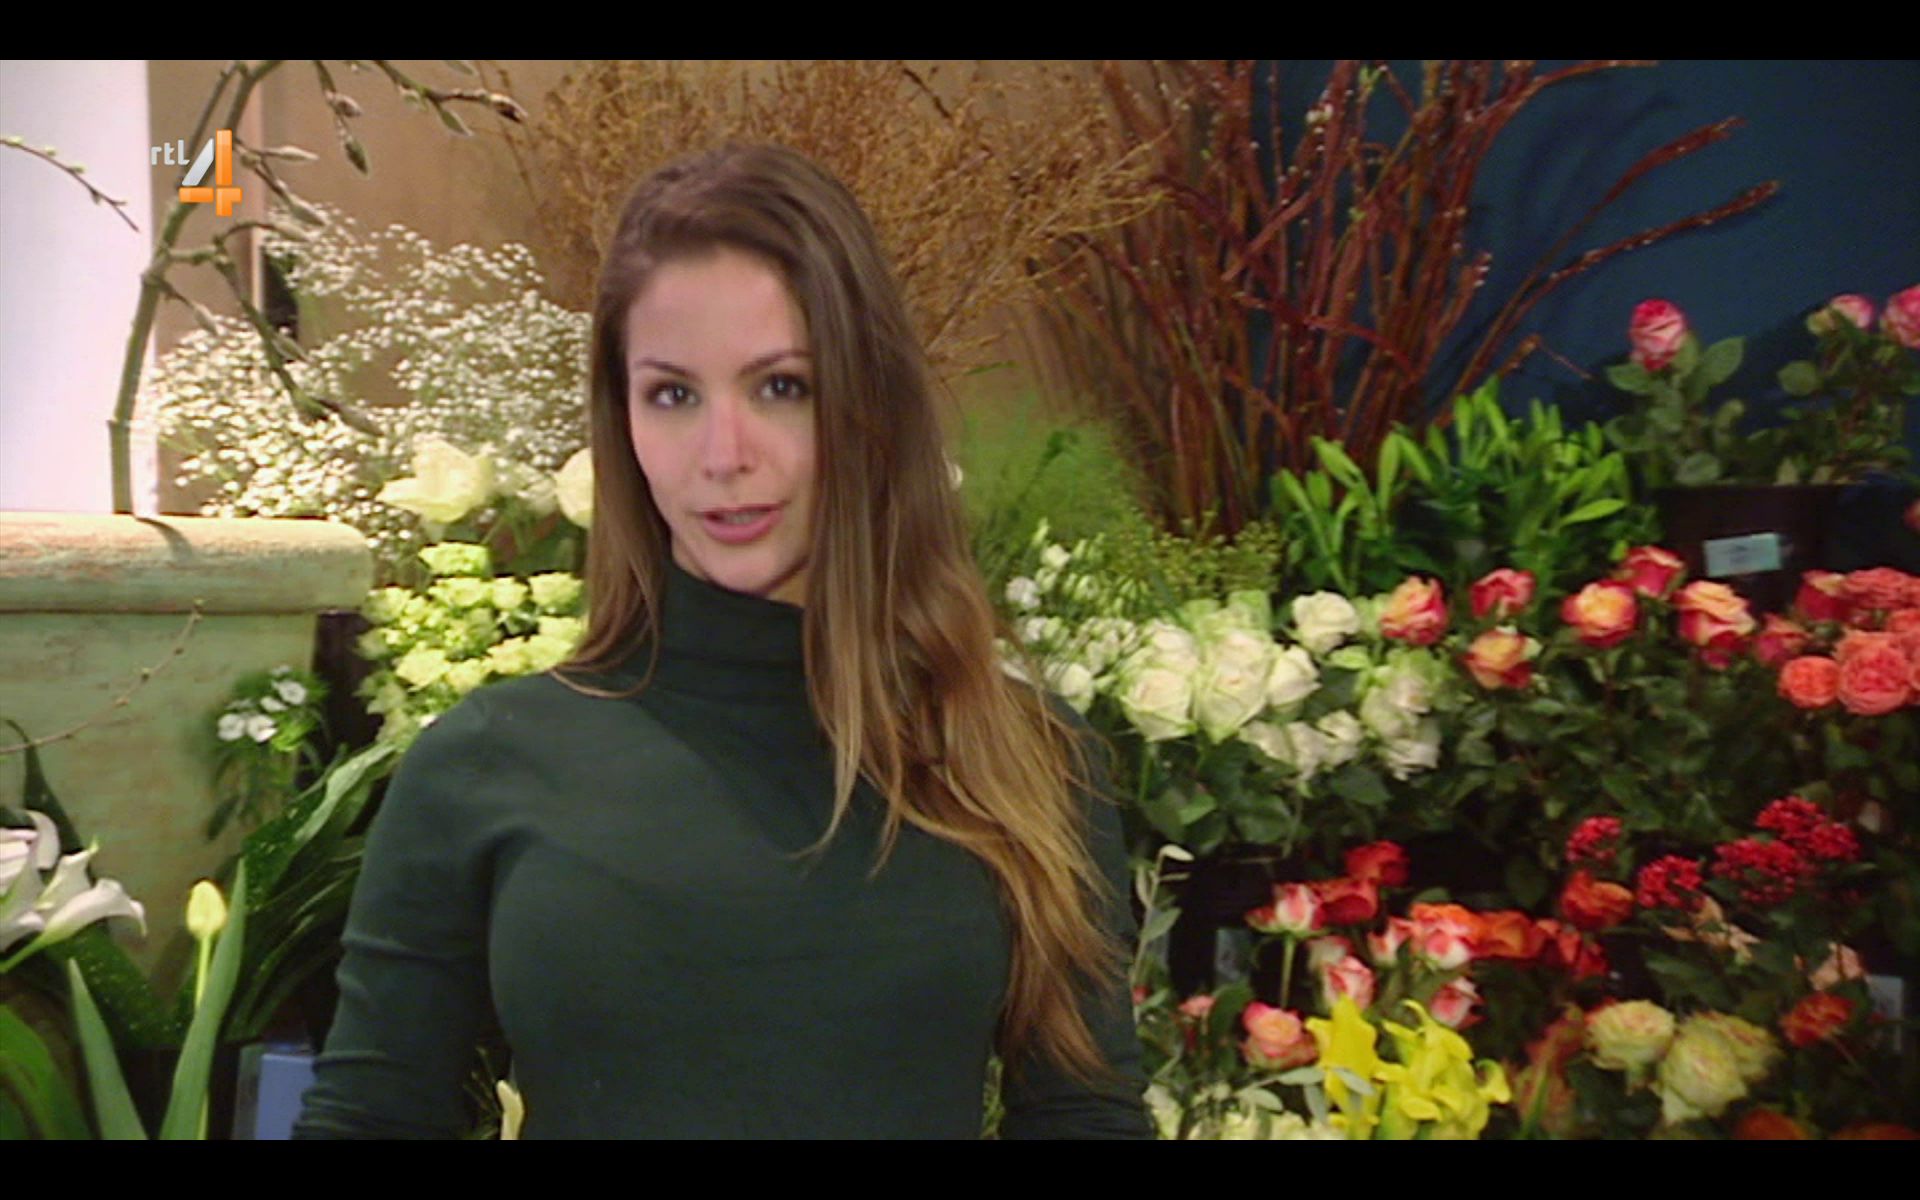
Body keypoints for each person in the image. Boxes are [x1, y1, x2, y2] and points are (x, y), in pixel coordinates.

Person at [292, 143, 1153, 1139]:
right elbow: (369, 1120)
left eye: (780, 387)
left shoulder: (1023, 759)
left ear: (868, 405)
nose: (723, 454)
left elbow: (1086, 1120)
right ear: (623, 420)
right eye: (674, 394)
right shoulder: (481, 765)